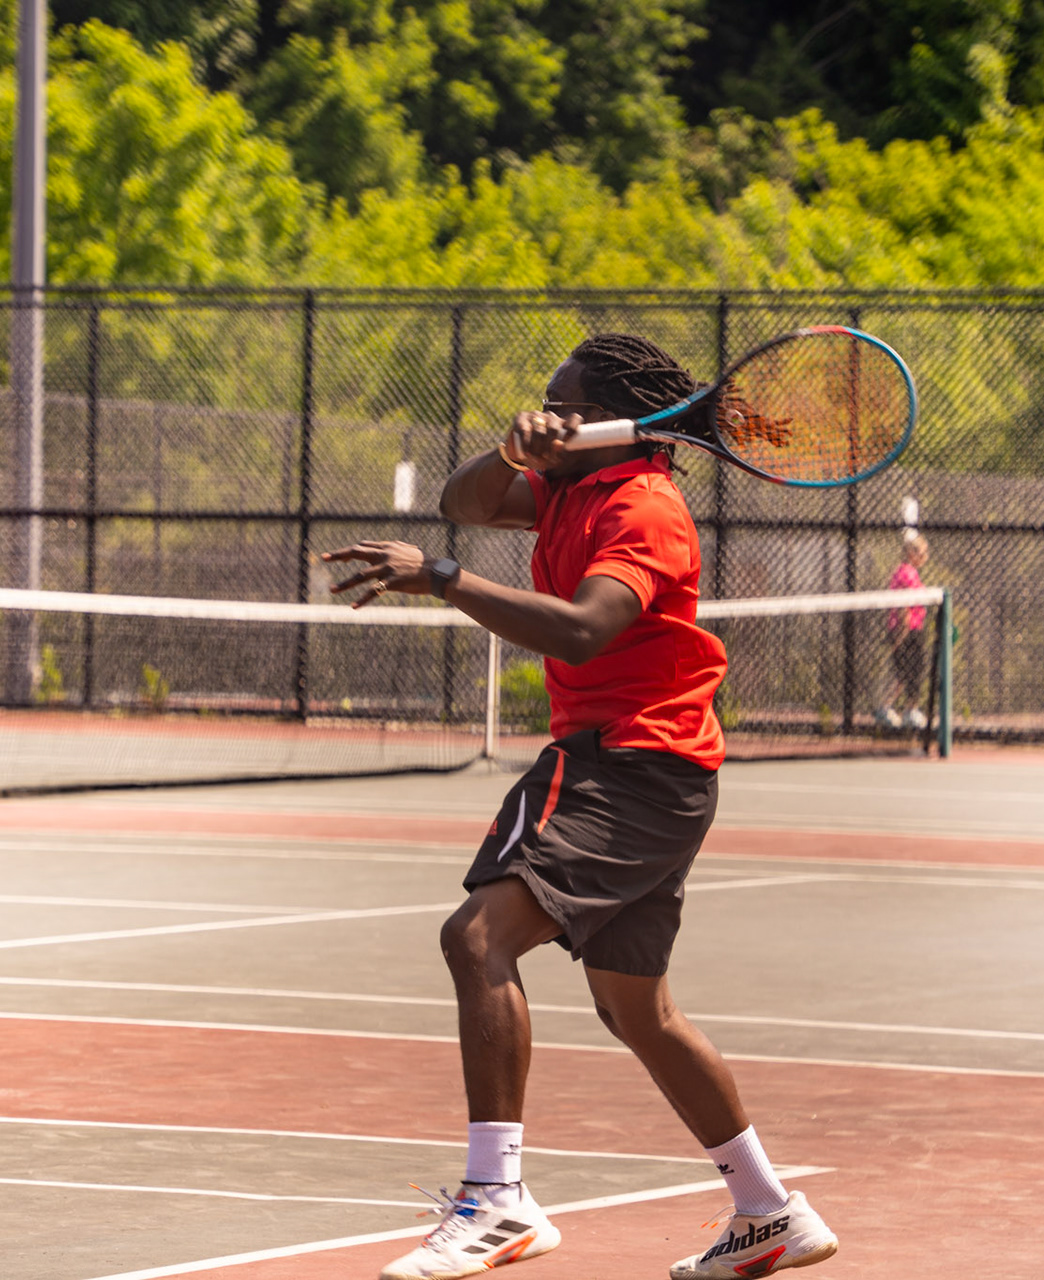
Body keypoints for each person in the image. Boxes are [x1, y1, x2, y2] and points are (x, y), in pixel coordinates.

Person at [324, 335, 838, 1280]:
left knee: (476, 938)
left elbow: (584, 631)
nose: (548, 413)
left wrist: (442, 578)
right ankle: (769, 1209)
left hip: (625, 764)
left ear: (613, 422)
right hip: (659, 771)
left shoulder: (644, 508)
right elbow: (465, 502)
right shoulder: (570, 486)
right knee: (638, 1009)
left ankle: (496, 1201)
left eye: (564, 404)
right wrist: (511, 452)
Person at [875, 531, 931, 731]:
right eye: (920, 552)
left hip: (913, 629)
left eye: (924, 552)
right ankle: (886, 708)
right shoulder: (906, 572)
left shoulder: (911, 572)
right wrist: (903, 632)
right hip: (906, 630)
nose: (924, 556)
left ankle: (909, 710)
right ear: (910, 552)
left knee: (913, 671)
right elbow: (903, 606)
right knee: (902, 672)